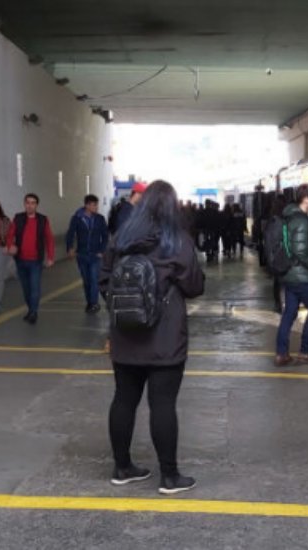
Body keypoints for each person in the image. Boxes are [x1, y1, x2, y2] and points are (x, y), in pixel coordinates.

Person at [99, 180, 205, 495]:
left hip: (125, 334)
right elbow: (194, 286)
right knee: (162, 403)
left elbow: (104, 281)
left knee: (123, 399)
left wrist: (127, 308)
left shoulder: (121, 238)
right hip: (165, 337)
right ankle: (169, 477)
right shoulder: (177, 241)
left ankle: (122, 467)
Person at [274, 184, 308, 366]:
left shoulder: (289, 216)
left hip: (290, 275)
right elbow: (300, 251)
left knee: (289, 313)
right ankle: (306, 351)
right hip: (301, 276)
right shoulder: (301, 221)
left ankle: (281, 353)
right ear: (306, 199)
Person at [5, 193, 55, 324]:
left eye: (33, 203)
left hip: (36, 261)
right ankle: (31, 309)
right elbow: (10, 235)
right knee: (26, 289)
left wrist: (50, 257)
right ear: (24, 204)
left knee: (34, 287)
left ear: (36, 205)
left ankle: (33, 312)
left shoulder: (43, 220)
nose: (30, 205)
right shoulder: (18, 218)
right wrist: (10, 246)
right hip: (20, 260)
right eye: (28, 202)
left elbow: (49, 239)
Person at [67, 194, 109, 313]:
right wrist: (70, 248)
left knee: (94, 279)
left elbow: (105, 236)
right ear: (87, 205)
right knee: (86, 281)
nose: (96, 207)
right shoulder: (77, 218)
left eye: (96, 205)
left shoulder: (100, 219)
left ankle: (94, 303)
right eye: (94, 205)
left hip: (96, 255)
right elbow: (70, 234)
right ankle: (90, 302)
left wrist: (102, 250)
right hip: (82, 254)